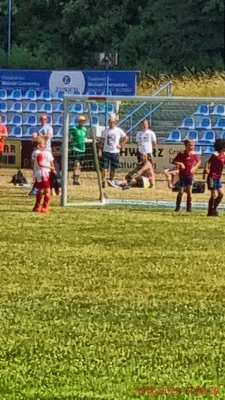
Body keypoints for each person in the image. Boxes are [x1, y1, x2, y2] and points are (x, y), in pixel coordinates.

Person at [172, 139, 201, 212]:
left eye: (193, 145)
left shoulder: (194, 154)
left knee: (189, 192)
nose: (192, 147)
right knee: (181, 192)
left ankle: (189, 207)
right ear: (186, 146)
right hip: (182, 175)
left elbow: (199, 161)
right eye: (190, 145)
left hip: (189, 176)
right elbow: (173, 161)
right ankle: (177, 206)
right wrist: (180, 164)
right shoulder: (181, 154)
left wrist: (194, 168)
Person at [100, 115, 128, 188]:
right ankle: (103, 180)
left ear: (115, 123)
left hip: (115, 152)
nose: (111, 123)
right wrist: (100, 150)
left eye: (113, 122)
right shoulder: (105, 131)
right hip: (106, 151)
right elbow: (102, 141)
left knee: (113, 167)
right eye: (110, 122)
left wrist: (121, 144)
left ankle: (111, 180)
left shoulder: (119, 130)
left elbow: (125, 137)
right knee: (104, 167)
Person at [31, 135, 55, 213]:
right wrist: (52, 168)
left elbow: (33, 163)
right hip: (44, 173)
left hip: (37, 174)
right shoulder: (44, 153)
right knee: (47, 190)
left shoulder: (34, 153)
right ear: (38, 145)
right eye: (44, 144)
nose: (45, 145)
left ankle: (37, 206)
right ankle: (44, 207)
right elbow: (50, 163)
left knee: (39, 190)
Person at [203, 139, 225, 217]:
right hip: (212, 177)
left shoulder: (224, 155)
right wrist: (206, 169)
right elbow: (208, 162)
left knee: (221, 194)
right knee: (213, 194)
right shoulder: (215, 154)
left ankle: (214, 209)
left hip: (218, 179)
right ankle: (210, 211)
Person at [136, 119, 156, 187]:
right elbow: (137, 143)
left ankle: (151, 182)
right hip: (140, 152)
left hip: (148, 152)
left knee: (148, 168)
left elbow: (154, 143)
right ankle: (143, 181)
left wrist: (150, 150)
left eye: (146, 124)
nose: (144, 126)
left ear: (148, 125)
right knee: (141, 167)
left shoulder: (151, 133)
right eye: (143, 124)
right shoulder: (139, 133)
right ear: (141, 125)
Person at [69, 115, 87, 185]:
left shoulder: (85, 129)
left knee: (79, 166)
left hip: (82, 148)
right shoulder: (74, 128)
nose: (82, 122)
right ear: (78, 121)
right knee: (77, 164)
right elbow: (69, 133)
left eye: (83, 121)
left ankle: (77, 178)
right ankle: (75, 180)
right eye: (81, 121)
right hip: (76, 148)